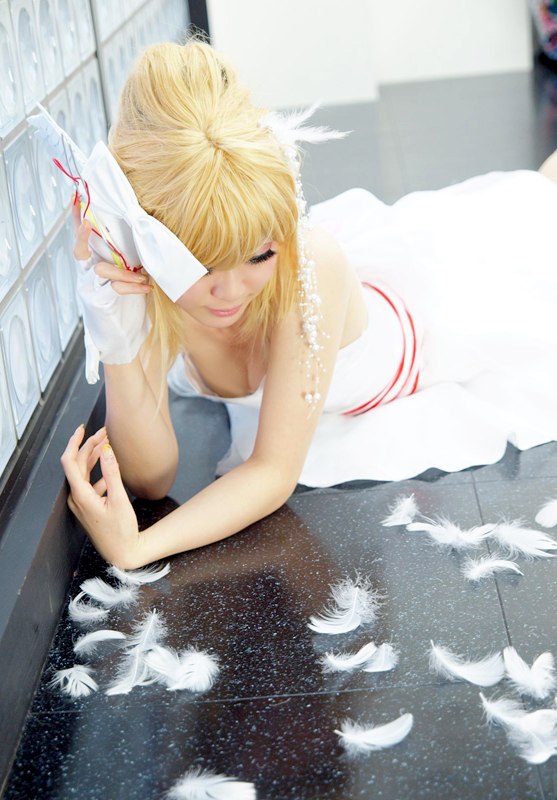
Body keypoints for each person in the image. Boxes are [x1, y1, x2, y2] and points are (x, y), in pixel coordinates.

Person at [60, 38, 557, 570]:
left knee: (537, 212)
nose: (231, 291)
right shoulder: (151, 276)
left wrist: (140, 547)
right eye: (201, 267)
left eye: (259, 254)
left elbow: (273, 472)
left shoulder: (308, 267)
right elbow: (151, 478)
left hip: (439, 323)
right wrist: (113, 330)